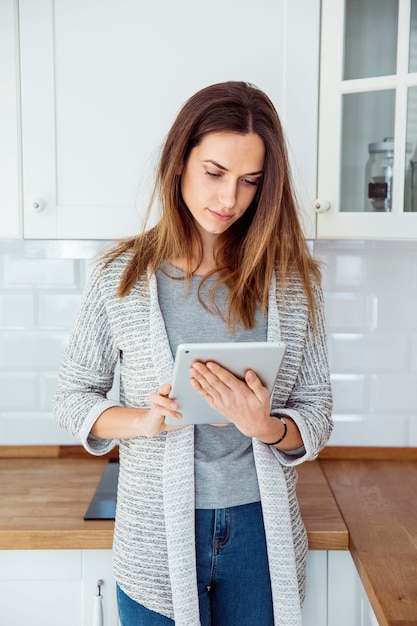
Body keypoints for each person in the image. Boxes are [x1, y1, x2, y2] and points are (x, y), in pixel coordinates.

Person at [54, 81, 333, 626]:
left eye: (250, 182)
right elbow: (72, 396)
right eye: (214, 173)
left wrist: (269, 427)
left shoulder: (295, 283)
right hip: (153, 532)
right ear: (179, 162)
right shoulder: (122, 276)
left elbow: (317, 408)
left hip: (260, 532)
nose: (229, 199)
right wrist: (143, 420)